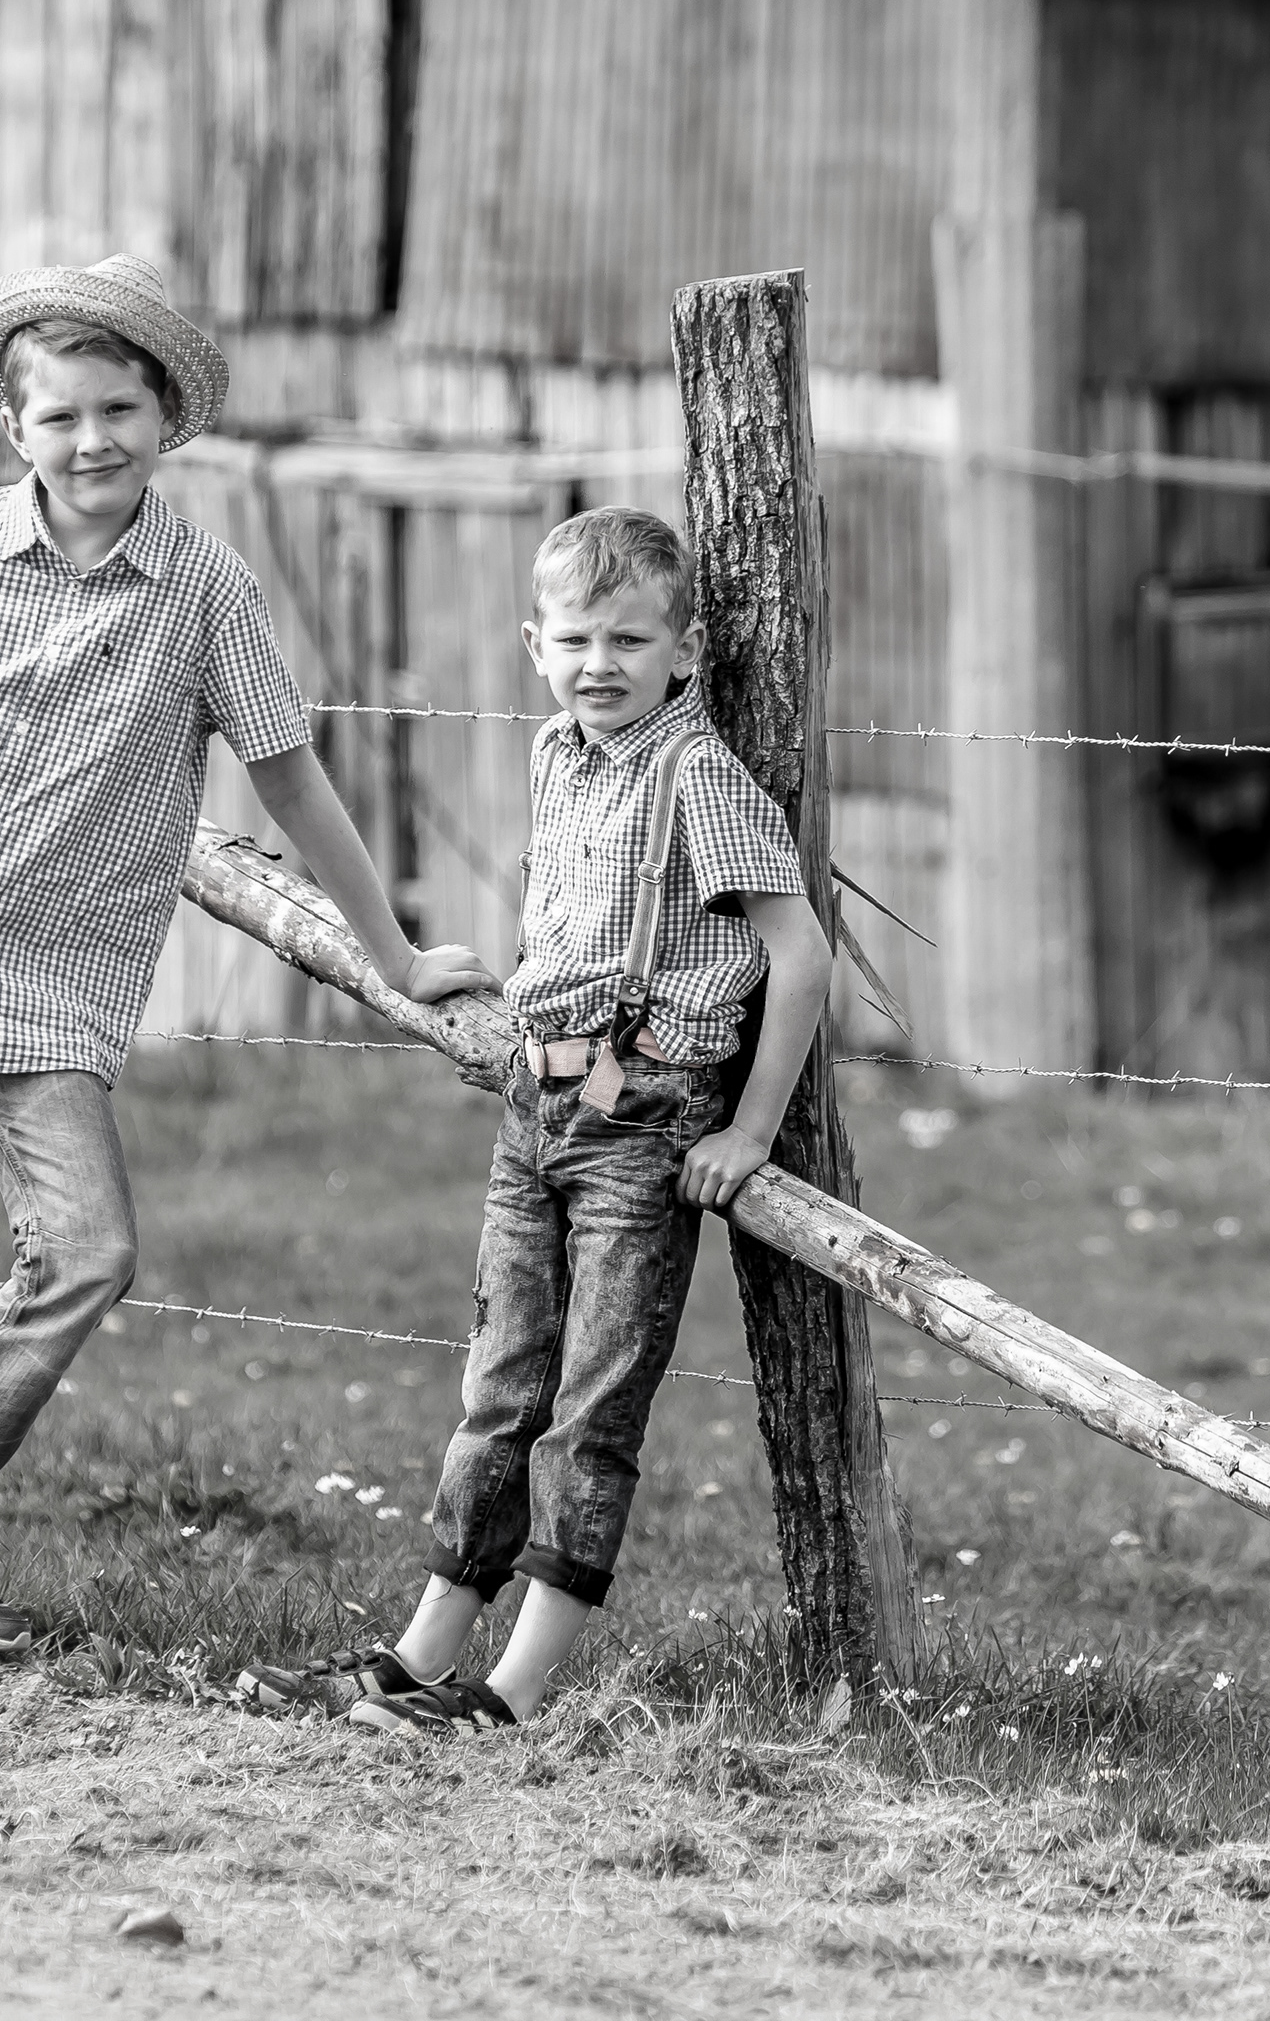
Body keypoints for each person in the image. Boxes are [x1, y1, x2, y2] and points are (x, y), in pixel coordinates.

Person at [0, 251, 493, 1671]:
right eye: (62, 415)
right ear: (15, 425)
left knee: (86, 1248)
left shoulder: (204, 591)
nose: (92, 440)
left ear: (166, 418)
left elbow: (292, 776)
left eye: (119, 410)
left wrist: (393, 954)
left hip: (40, 986)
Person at [237, 505, 832, 1732]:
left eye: (630, 639)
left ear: (686, 648)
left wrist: (750, 1131)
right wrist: (517, 1028)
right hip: (538, 1106)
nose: (599, 664)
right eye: (575, 639)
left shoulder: (698, 776)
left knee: (591, 1407)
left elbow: (802, 955)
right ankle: (422, 1655)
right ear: (534, 645)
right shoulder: (559, 752)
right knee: (500, 1387)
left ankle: (513, 1689)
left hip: (646, 1119)